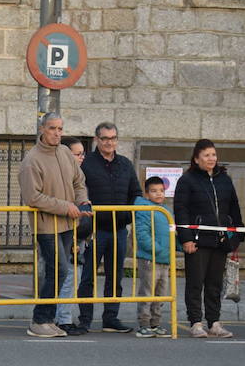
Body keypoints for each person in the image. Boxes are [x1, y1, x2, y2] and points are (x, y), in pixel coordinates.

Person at [19, 113, 91, 338]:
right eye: (52, 128)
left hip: (68, 223)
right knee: (58, 269)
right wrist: (65, 206)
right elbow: (33, 197)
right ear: (42, 129)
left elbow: (79, 181)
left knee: (59, 271)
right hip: (46, 225)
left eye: (60, 129)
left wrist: (82, 200)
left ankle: (47, 319)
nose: (57, 133)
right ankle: (39, 320)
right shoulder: (32, 159)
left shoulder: (65, 153)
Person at [173, 139, 244, 338]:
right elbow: (181, 210)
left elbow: (234, 207)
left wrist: (237, 235)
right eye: (206, 155)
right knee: (195, 283)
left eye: (213, 154)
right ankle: (196, 322)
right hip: (197, 241)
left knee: (215, 284)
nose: (211, 158)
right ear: (196, 159)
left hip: (220, 241)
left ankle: (214, 323)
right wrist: (186, 238)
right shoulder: (187, 180)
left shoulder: (224, 179)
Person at [77, 121, 140, 333]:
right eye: (104, 138)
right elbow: (78, 192)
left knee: (115, 277)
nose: (109, 142)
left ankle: (110, 318)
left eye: (113, 138)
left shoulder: (125, 164)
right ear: (97, 140)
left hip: (119, 229)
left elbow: (136, 193)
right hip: (94, 231)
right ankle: (85, 319)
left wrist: (128, 217)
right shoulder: (86, 164)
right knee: (88, 277)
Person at [54, 138, 90, 335]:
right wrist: (74, 238)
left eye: (82, 153)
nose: (81, 157)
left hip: (80, 234)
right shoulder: (62, 177)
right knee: (66, 278)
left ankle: (63, 316)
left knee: (72, 278)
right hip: (67, 234)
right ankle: (63, 319)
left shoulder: (79, 175)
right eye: (77, 154)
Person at [132, 177, 172, 337]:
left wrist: (178, 247)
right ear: (147, 193)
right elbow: (142, 234)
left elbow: (170, 233)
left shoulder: (165, 210)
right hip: (150, 259)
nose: (159, 194)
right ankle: (144, 323)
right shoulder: (143, 209)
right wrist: (157, 249)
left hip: (164, 259)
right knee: (147, 293)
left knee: (160, 294)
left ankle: (156, 323)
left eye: (161, 191)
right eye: (154, 191)